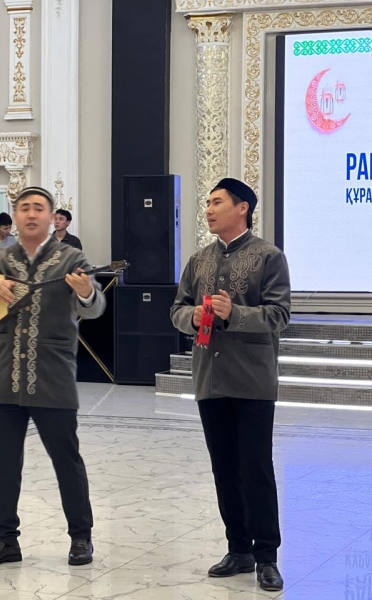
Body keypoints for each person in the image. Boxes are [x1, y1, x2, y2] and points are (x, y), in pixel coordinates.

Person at [0, 186, 105, 568]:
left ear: (52, 217)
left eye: (39, 208)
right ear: (15, 216)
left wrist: (86, 292)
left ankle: (81, 537)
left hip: (54, 376)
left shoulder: (71, 257)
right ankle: (5, 540)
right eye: (24, 208)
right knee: (4, 465)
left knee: (66, 460)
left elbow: (96, 306)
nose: (31, 214)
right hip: (4, 377)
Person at [170, 178, 290, 593]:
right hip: (210, 377)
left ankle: (267, 556)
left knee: (256, 469)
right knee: (224, 468)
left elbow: (279, 314)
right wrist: (192, 317)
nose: (208, 209)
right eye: (208, 202)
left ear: (242, 208)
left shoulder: (268, 256)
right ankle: (238, 549)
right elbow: (177, 308)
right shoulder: (199, 260)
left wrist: (233, 313)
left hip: (253, 379)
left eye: (217, 202)